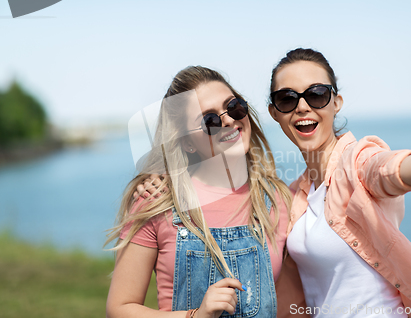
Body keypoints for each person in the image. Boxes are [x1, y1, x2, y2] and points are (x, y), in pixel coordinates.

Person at [267, 48, 411, 318]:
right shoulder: (296, 195)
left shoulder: (358, 162)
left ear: (336, 102)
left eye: (317, 94)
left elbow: (395, 170)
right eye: (287, 99)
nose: (302, 107)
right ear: (274, 112)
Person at [105, 66, 302, 318]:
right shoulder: (157, 201)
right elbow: (119, 309)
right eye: (209, 121)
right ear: (187, 142)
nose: (229, 120)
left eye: (234, 107)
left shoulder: (277, 199)